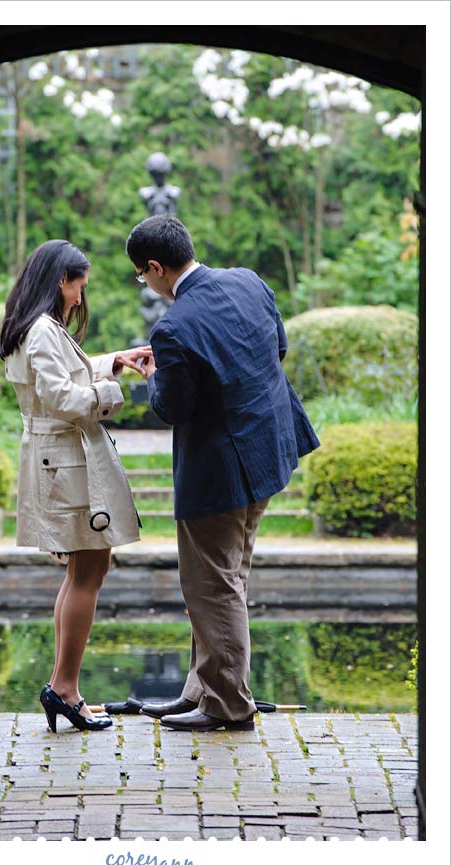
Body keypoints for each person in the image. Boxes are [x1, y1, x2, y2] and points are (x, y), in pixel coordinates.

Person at [125, 215, 320, 732]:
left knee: (213, 586)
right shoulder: (248, 280)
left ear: (154, 267)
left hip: (219, 475)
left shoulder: (172, 327)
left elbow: (174, 407)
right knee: (225, 579)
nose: (147, 285)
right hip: (270, 451)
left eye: (143, 278)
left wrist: (155, 375)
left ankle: (229, 705)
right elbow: (276, 349)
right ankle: (202, 689)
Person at [0, 239, 151, 732]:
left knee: (83, 570)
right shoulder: (43, 328)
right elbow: (61, 395)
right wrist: (112, 393)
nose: (80, 298)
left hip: (59, 459)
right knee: (89, 568)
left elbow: (64, 373)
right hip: (64, 460)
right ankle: (64, 688)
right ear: (60, 280)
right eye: (78, 287)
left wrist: (114, 360)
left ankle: (66, 686)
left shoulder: (37, 326)